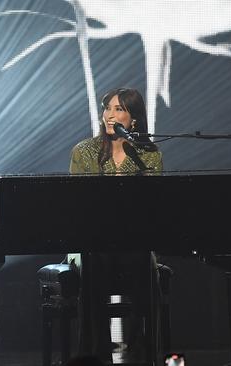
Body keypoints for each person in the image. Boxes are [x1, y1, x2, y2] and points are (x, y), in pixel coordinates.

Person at [68, 88, 163, 361]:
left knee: (143, 260)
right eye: (107, 108)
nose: (110, 115)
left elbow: (153, 206)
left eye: (119, 109)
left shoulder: (148, 154)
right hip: (91, 243)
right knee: (95, 258)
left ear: (133, 119)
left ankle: (142, 352)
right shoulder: (84, 152)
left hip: (133, 243)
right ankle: (95, 354)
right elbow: (74, 207)